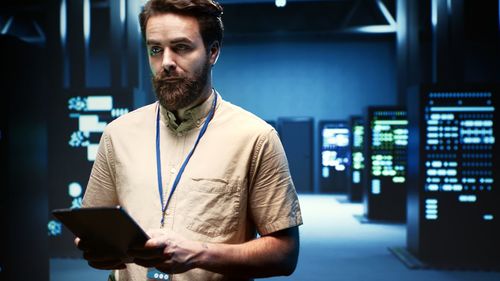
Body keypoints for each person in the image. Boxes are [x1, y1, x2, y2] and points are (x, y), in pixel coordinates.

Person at [76, 0, 303, 280]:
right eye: (155, 50)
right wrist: (97, 249)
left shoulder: (255, 137)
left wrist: (198, 254)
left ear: (213, 52)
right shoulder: (117, 134)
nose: (166, 62)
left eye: (181, 47)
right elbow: (95, 230)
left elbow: (285, 254)